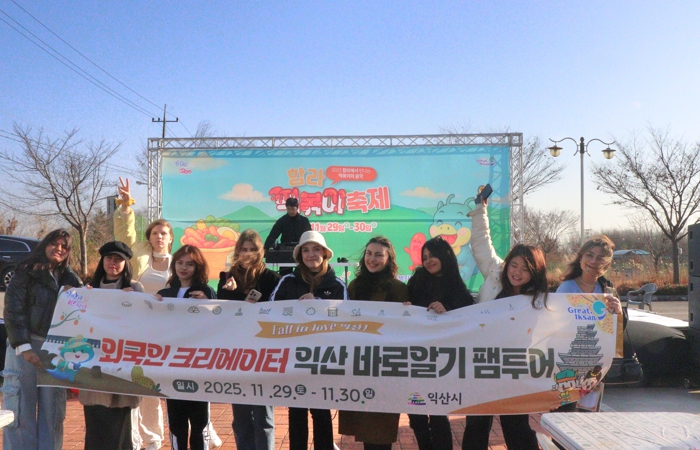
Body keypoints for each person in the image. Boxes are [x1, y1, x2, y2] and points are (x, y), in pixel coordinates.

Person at [461, 198, 550, 450]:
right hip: (484, 364)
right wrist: (480, 211)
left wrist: (606, 306)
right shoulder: (495, 274)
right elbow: (481, 243)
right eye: (514, 265)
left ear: (535, 272)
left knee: (516, 425)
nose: (517, 272)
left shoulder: (541, 298)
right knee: (476, 424)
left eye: (526, 269)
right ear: (507, 263)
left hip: (515, 368)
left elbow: (570, 312)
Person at [2, 228, 83, 450]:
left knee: (53, 411)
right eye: (54, 243)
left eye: (64, 246)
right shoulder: (25, 272)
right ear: (45, 245)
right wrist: (24, 346)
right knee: (20, 408)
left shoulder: (71, 278)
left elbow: (84, 312)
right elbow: (13, 310)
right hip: (25, 347)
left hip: (56, 351)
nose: (58, 249)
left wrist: (79, 294)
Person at [270, 230, 347, 450]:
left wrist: (319, 303)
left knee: (322, 412)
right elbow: (270, 311)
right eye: (306, 250)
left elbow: (346, 320)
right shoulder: (287, 281)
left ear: (325, 253)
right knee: (296, 412)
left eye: (316, 249)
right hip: (293, 358)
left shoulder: (337, 285)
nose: (311, 254)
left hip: (324, 359)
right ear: (300, 255)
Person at [115, 176, 173, 450]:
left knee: (157, 386)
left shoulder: (181, 262)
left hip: (166, 332)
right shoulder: (138, 254)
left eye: (164, 233)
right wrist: (126, 207)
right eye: (154, 233)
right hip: (136, 327)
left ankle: (154, 437)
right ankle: (139, 439)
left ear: (170, 238)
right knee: (137, 381)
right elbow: (124, 236)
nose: (159, 237)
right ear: (148, 237)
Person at [338, 236, 408, 450]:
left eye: (379, 255)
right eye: (369, 253)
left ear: (389, 259)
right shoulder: (355, 285)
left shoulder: (398, 289)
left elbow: (406, 328)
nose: (372, 259)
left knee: (381, 428)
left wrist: (408, 313)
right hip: (359, 364)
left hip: (385, 366)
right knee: (364, 425)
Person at [407, 236, 474, 450]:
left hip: (442, 361)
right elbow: (408, 306)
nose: (428, 261)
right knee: (415, 413)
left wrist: (448, 312)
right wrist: (406, 307)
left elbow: (468, 318)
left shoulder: (456, 286)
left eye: (432, 256)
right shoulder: (417, 280)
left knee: (438, 414)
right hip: (415, 357)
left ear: (444, 256)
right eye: (425, 257)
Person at [217, 230, 280, 450]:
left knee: (263, 417)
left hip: (264, 353)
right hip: (236, 353)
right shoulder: (226, 277)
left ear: (261, 251)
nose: (248, 253)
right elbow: (222, 312)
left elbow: (278, 311)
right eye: (243, 249)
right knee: (241, 417)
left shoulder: (272, 278)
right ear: (237, 251)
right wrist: (232, 294)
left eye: (253, 249)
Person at [80, 241, 144, 450]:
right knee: (95, 419)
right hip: (93, 362)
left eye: (118, 259)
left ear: (126, 263)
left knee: (119, 424)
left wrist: (134, 301)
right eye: (109, 258)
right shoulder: (90, 288)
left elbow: (143, 323)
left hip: (120, 363)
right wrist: (78, 297)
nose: (113, 263)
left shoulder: (134, 288)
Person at [554, 234, 623, 416]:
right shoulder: (567, 288)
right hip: (568, 363)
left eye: (600, 258)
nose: (593, 261)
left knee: (587, 415)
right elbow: (553, 325)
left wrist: (618, 313)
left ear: (606, 264)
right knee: (564, 415)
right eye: (589, 255)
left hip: (595, 365)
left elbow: (617, 329)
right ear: (581, 258)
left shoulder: (607, 288)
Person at [157, 245, 217, 450]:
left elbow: (219, 321)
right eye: (180, 263)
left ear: (197, 267)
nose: (183, 268)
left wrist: (208, 304)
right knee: (176, 423)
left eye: (189, 264)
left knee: (199, 423)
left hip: (199, 366)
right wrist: (151, 305)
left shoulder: (206, 291)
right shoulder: (164, 293)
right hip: (171, 365)